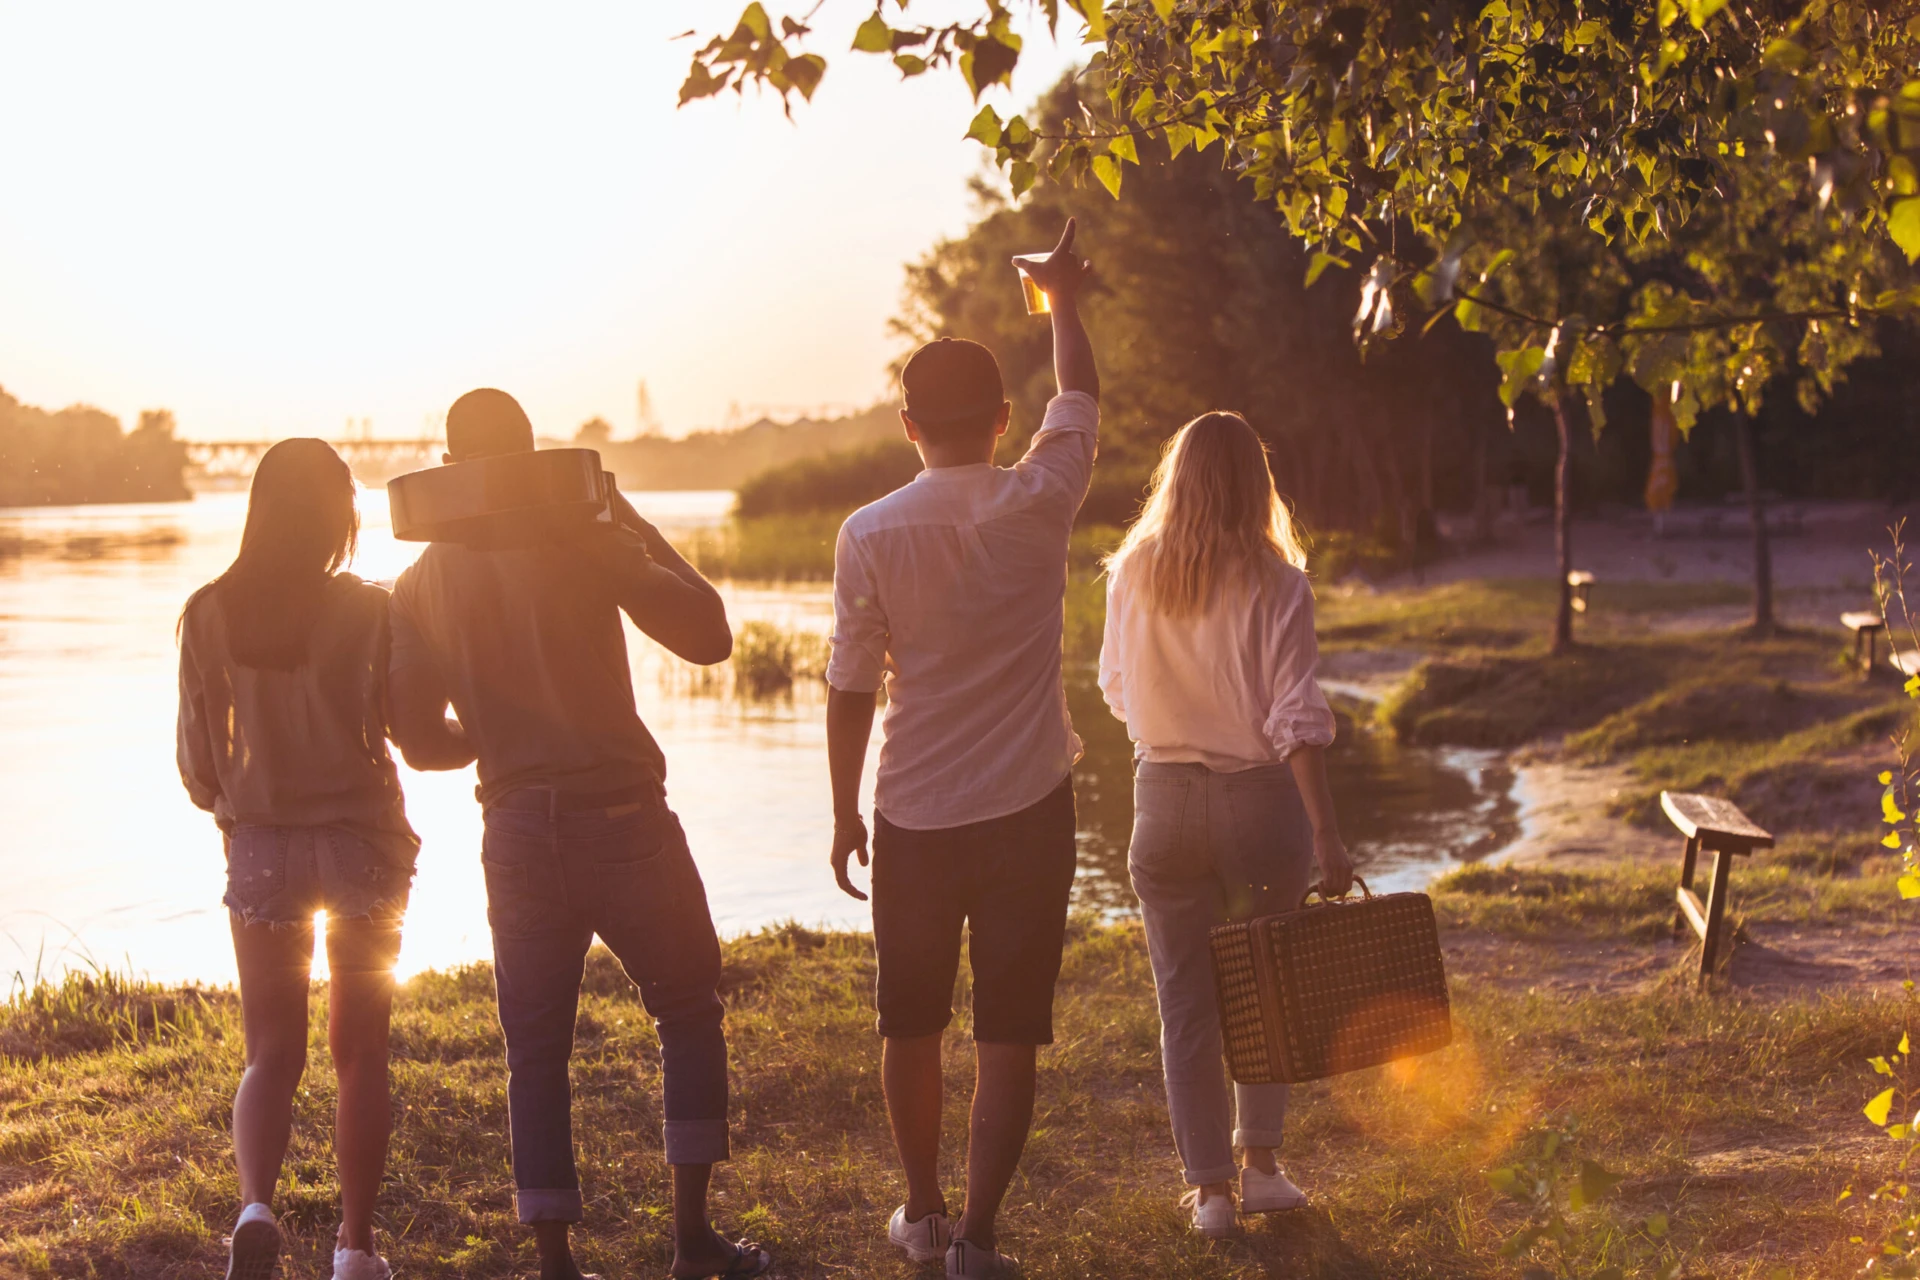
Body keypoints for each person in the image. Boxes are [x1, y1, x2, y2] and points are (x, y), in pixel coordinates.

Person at [384, 389, 768, 1280]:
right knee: (687, 1011)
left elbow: (423, 742)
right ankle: (692, 1242)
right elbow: (710, 636)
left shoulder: (417, 583)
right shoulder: (586, 537)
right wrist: (623, 518)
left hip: (517, 826)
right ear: (534, 460)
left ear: (452, 470)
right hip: (624, 815)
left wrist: (501, 732)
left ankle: (557, 1264)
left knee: (536, 1052)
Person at [825, 220, 1097, 1280]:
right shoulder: (1042, 495)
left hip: (916, 813)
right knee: (1009, 1030)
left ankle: (925, 1212)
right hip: (1031, 809)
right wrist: (1060, 300)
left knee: (911, 1021)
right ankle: (978, 1239)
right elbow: (1079, 396)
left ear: (907, 426)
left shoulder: (868, 531)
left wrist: (843, 810)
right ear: (1000, 420)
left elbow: (852, 683)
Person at [1096, 411, 1355, 1238]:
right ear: (1256, 482)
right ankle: (1263, 1170)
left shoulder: (1132, 571)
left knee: (1185, 1003)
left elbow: (1115, 690)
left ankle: (1209, 1193)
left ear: (1174, 480)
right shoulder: (1279, 582)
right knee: (1263, 989)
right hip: (1258, 803)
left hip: (1162, 800)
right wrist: (1327, 834)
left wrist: (1172, 724)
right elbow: (1295, 720)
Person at [177, 438, 419, 1280]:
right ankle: (355, 1246)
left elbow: (197, 764)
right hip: (362, 842)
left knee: (270, 1052)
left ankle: (255, 1208)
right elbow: (405, 728)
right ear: (337, 514)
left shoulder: (207, 613)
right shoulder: (371, 610)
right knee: (361, 1053)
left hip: (262, 847)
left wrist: (236, 801)